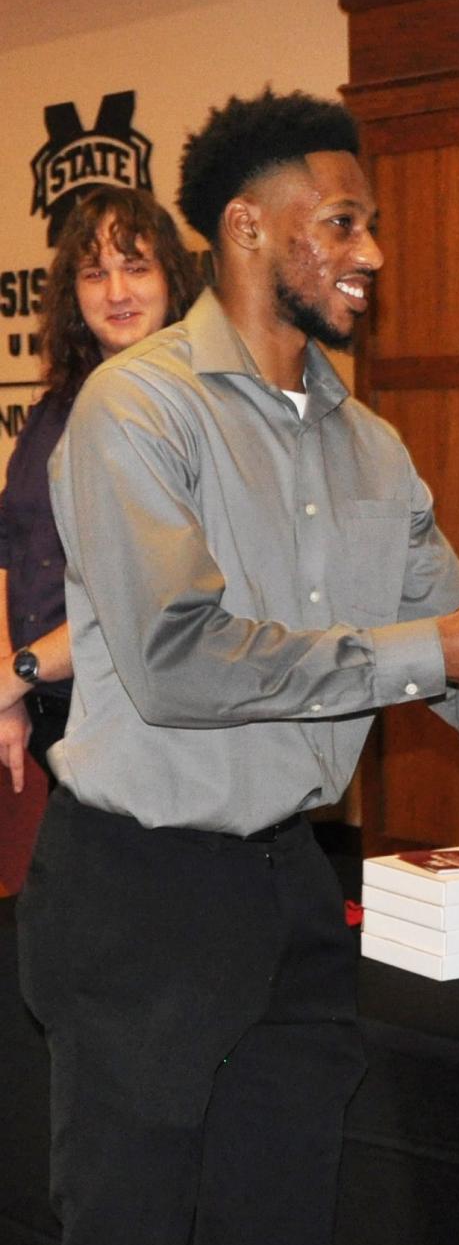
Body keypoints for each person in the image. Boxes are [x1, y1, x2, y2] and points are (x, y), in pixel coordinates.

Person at [12, 87, 459, 1245]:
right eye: (344, 223)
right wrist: (439, 645)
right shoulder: (137, 413)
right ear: (248, 230)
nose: (371, 253)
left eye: (371, 226)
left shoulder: (373, 449)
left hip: (297, 886)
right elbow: (177, 663)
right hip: (137, 896)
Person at [0, 186, 201, 791]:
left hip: (143, 718)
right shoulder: (53, 411)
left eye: (136, 267)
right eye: (96, 273)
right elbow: (7, 544)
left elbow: (151, 593)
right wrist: (9, 689)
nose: (117, 293)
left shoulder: (198, 412)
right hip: (42, 707)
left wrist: (15, 675)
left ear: (172, 281)